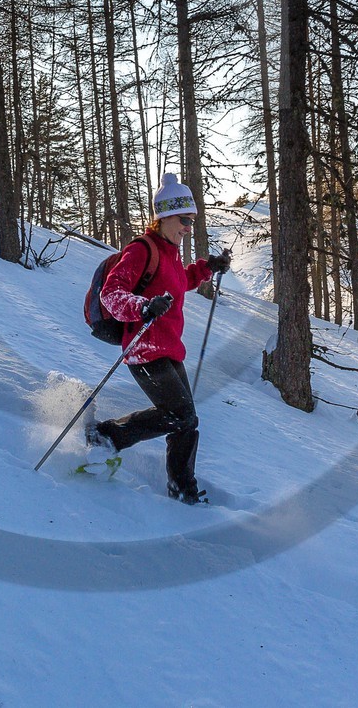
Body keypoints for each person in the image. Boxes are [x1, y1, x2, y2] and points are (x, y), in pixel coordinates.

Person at [87, 172, 231, 504]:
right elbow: (112, 293)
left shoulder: (170, 253)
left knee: (187, 423)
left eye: (191, 220)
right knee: (182, 416)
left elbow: (182, 281)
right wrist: (142, 307)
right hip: (143, 350)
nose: (188, 226)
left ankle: (183, 491)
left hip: (168, 349)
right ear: (164, 216)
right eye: (183, 219)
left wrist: (210, 267)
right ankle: (106, 436)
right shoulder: (142, 250)